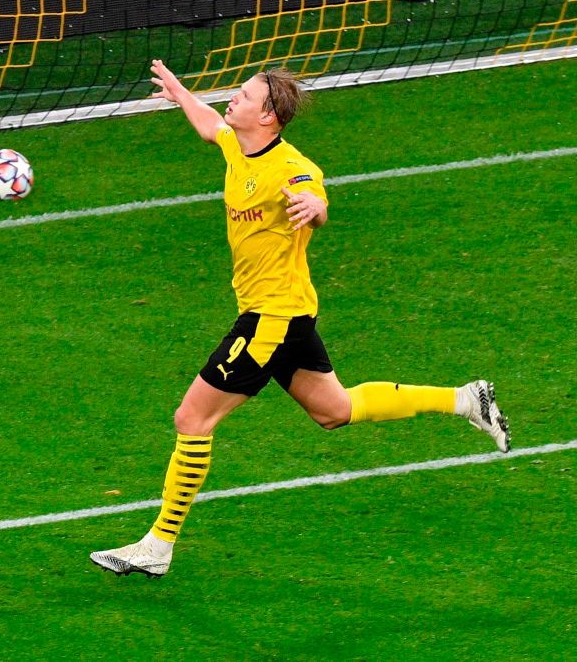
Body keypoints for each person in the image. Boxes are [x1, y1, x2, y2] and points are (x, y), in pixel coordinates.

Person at [88, 60, 511, 579]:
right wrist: (180, 93)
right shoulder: (237, 146)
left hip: (272, 317)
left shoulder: (291, 167)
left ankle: (158, 545)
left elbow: (313, 193)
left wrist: (315, 208)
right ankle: (466, 399)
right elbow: (210, 126)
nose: (234, 98)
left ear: (268, 116)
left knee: (192, 419)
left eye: (245, 96)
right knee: (334, 410)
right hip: (288, 312)